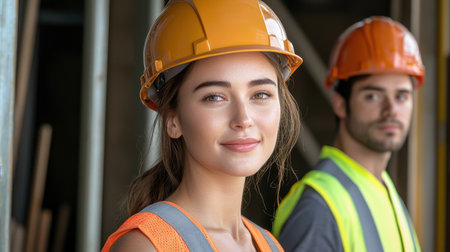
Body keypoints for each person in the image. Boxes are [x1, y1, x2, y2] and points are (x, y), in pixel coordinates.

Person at [101, 0, 303, 251]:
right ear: (172, 119)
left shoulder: (268, 245)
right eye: (215, 97)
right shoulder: (147, 246)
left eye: (260, 94)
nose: (243, 119)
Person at [272, 16, 424, 252]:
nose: (391, 110)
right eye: (373, 95)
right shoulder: (318, 207)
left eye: (401, 96)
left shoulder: (383, 189)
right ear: (340, 104)